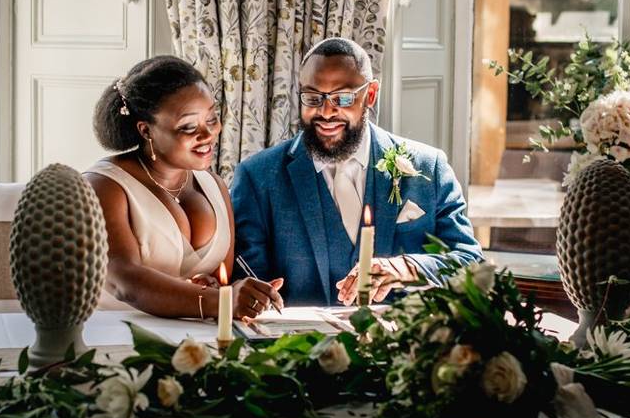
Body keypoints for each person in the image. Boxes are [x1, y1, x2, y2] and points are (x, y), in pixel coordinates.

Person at [231, 38, 482, 306]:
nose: (326, 112)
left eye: (343, 97)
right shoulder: (257, 177)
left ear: (370, 95)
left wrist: (406, 268)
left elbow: (470, 264)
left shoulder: (428, 168)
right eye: (313, 97)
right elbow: (247, 282)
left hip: (400, 344)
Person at [86, 55, 284, 319]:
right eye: (189, 127)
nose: (208, 134)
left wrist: (221, 289)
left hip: (197, 342)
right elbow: (124, 282)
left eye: (212, 119)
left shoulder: (215, 186)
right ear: (146, 131)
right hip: (116, 337)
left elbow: (219, 281)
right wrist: (223, 301)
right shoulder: (103, 186)